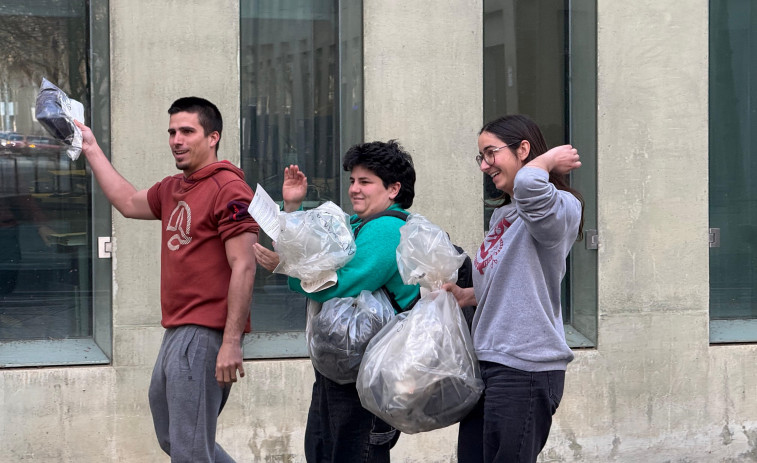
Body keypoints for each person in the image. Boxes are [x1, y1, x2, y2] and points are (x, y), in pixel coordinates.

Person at [75, 97, 259, 462]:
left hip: (205, 334)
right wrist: (91, 149)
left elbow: (245, 266)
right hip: (176, 330)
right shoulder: (174, 188)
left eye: (188, 131)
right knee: (174, 438)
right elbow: (128, 201)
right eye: (172, 131)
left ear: (212, 138)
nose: (177, 139)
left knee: (190, 450)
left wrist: (231, 342)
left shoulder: (229, 189)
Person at [253, 140, 419, 463]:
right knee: (322, 451)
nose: (355, 189)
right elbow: (311, 248)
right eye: (352, 181)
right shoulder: (357, 223)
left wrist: (284, 267)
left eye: (365, 182)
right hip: (341, 373)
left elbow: (339, 286)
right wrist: (293, 208)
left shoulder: (388, 230)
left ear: (393, 189)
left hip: (365, 381)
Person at [444, 114, 584, 463]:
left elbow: (530, 187)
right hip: (490, 360)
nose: (485, 166)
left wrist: (549, 159)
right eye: (481, 157)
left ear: (523, 149)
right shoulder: (503, 216)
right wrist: (467, 296)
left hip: (526, 367)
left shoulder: (559, 207)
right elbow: (513, 280)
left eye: (491, 153)